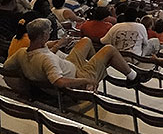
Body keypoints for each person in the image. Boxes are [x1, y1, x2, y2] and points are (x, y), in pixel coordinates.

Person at [4, 18, 150, 90]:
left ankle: (101, 72)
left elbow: (5, 70)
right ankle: (133, 77)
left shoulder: (22, 53)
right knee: (110, 49)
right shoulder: (47, 59)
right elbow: (59, 82)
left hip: (70, 65)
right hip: (79, 77)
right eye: (48, 32)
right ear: (43, 35)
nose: (50, 33)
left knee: (85, 41)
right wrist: (86, 81)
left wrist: (59, 45)